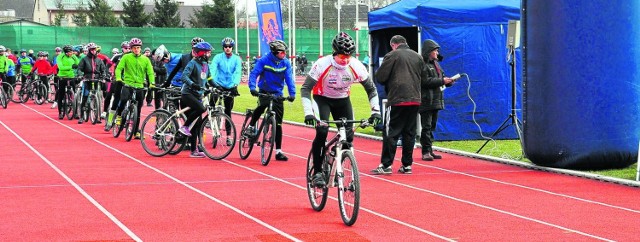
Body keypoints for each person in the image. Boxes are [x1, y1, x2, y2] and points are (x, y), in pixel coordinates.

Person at [301, 32, 381, 187]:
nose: (345, 60)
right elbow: (305, 89)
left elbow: (371, 89)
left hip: (342, 101)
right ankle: (317, 172)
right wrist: (308, 113)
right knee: (322, 131)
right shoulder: (322, 64)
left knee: (348, 137)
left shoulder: (356, 65)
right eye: (342, 57)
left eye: (348, 56)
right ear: (334, 53)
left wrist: (375, 111)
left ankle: (342, 168)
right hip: (322, 99)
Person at [370, 35, 424, 175]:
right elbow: (423, 78)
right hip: (415, 99)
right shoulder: (417, 57)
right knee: (409, 132)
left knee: (390, 132)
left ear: (393, 45)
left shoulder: (392, 55)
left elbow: (381, 77)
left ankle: (386, 164)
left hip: (397, 99)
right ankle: (407, 165)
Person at [247, 40, 296, 161]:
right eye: (281, 52)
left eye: (285, 52)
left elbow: (289, 79)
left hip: (277, 93)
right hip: (264, 90)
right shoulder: (264, 60)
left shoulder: (285, 63)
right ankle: (252, 126)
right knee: (261, 106)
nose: (284, 54)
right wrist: (253, 88)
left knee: (278, 124)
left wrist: (292, 94)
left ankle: (278, 151)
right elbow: (254, 74)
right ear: (274, 52)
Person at [419, 39, 455, 161]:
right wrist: (442, 81)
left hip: (436, 98)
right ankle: (425, 151)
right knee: (426, 126)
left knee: (432, 126)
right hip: (426, 100)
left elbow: (441, 78)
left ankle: (429, 150)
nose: (437, 52)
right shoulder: (423, 65)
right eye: (435, 50)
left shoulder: (436, 64)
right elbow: (424, 82)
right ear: (429, 51)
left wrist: (448, 81)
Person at [177, 41, 215, 158]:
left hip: (198, 95)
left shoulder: (206, 65)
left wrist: (218, 87)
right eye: (208, 52)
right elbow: (184, 76)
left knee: (197, 124)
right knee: (201, 109)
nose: (209, 54)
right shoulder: (192, 63)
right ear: (202, 53)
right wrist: (193, 84)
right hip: (188, 94)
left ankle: (194, 150)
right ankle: (184, 127)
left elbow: (209, 79)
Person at [113, 37, 155, 139]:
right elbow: (119, 68)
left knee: (138, 109)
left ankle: (136, 131)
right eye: (134, 48)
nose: (136, 49)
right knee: (123, 100)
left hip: (140, 85)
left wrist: (152, 83)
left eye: (138, 48)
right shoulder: (126, 57)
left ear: (141, 48)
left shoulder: (145, 59)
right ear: (131, 49)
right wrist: (118, 78)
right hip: (128, 84)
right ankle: (119, 116)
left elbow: (150, 72)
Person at [209, 37, 242, 142]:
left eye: (230, 47)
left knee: (228, 111)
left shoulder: (237, 59)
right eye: (225, 47)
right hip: (218, 83)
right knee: (212, 102)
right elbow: (213, 69)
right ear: (223, 48)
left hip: (230, 85)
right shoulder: (218, 57)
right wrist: (212, 82)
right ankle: (210, 118)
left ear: (232, 48)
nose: (228, 48)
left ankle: (228, 136)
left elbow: (237, 72)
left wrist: (235, 85)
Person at [76, 43, 107, 124]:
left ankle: (97, 116)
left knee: (97, 96)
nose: (94, 51)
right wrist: (80, 75)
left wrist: (103, 76)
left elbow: (103, 70)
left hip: (96, 80)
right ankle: (82, 116)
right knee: (85, 96)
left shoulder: (99, 60)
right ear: (89, 50)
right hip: (87, 80)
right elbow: (79, 69)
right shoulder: (84, 59)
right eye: (92, 49)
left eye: (95, 49)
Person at [104, 41, 131, 128]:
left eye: (129, 48)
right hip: (117, 80)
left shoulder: (132, 57)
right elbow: (108, 65)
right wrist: (107, 74)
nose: (127, 50)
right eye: (125, 48)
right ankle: (109, 121)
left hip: (129, 81)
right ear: (122, 48)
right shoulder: (117, 56)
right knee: (115, 99)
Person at [55, 45, 80, 119]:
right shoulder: (60, 57)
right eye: (70, 52)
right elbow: (61, 67)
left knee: (75, 95)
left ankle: (75, 113)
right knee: (61, 94)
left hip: (71, 77)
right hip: (62, 77)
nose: (72, 53)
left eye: (72, 51)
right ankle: (60, 112)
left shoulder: (73, 56)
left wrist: (76, 64)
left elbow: (78, 63)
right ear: (66, 52)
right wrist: (71, 67)